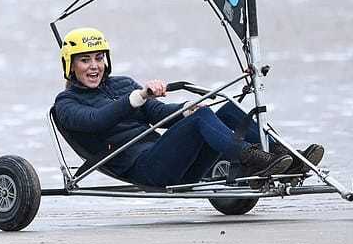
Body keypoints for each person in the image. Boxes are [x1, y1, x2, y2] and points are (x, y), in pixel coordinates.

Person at [53, 28, 324, 188]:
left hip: (175, 161)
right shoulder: (66, 103)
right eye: (85, 60)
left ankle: (286, 156)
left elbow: (159, 114)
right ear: (70, 65)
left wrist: (186, 109)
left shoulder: (122, 83)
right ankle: (255, 159)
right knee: (201, 117)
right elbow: (96, 120)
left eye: (99, 58)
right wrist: (140, 96)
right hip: (147, 170)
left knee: (223, 110)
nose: (94, 66)